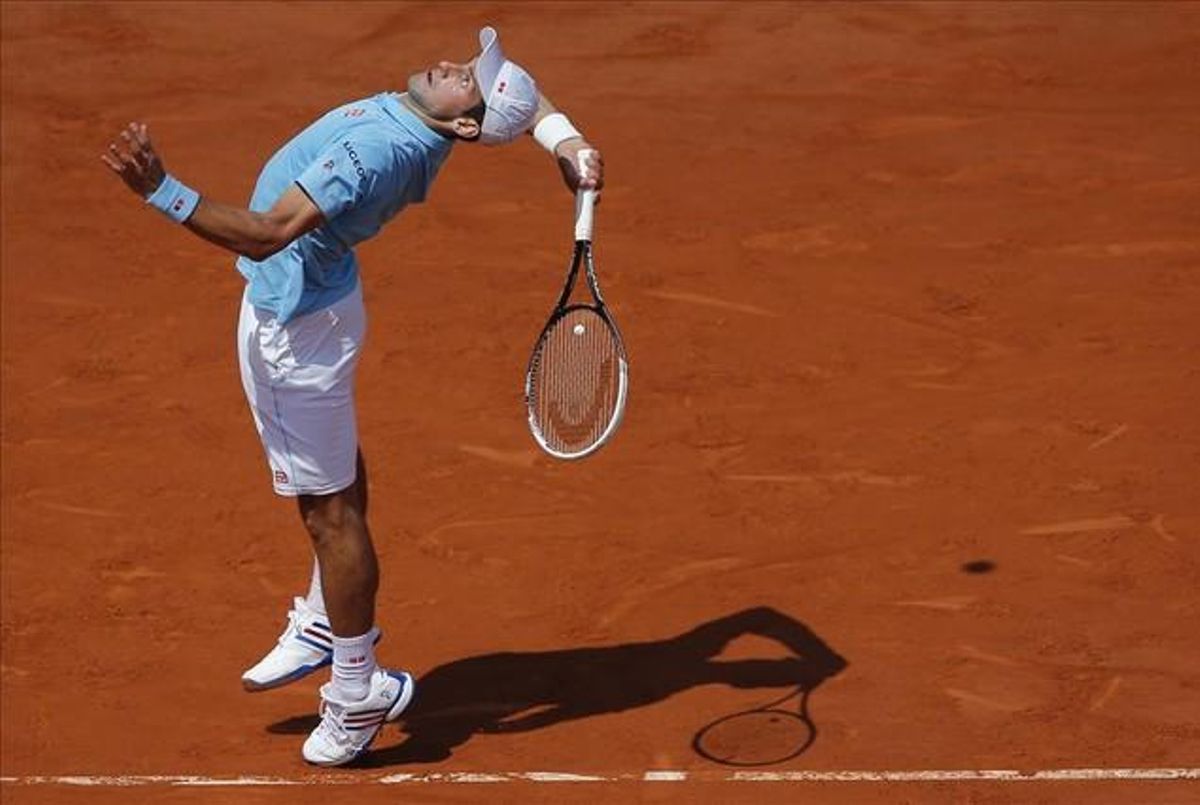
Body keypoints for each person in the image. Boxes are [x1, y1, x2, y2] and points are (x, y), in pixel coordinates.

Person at [101, 26, 604, 767]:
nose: (452, 65)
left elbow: (269, 233)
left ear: (465, 124)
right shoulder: (442, 117)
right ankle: (321, 622)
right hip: (327, 307)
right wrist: (566, 141)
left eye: (468, 79)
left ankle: (356, 688)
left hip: (293, 331)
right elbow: (520, 102)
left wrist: (160, 193)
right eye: (470, 62)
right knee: (337, 480)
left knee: (329, 514)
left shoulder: (376, 153)